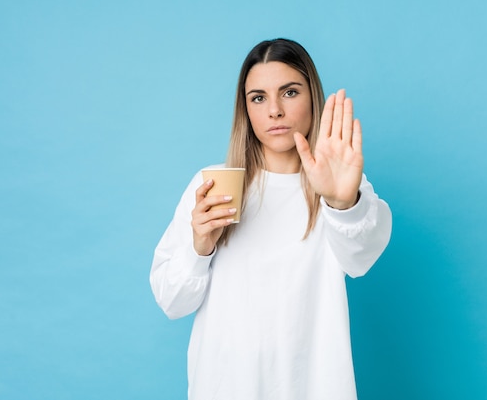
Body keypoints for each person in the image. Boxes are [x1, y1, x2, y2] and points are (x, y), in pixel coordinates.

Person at [150, 38, 392, 400]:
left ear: (313, 96)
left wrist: (342, 202)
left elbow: (361, 257)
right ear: (245, 109)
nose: (274, 110)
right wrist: (199, 248)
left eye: (290, 92)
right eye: (258, 98)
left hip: (314, 386)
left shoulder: (338, 186)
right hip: (225, 387)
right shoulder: (213, 185)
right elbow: (172, 302)